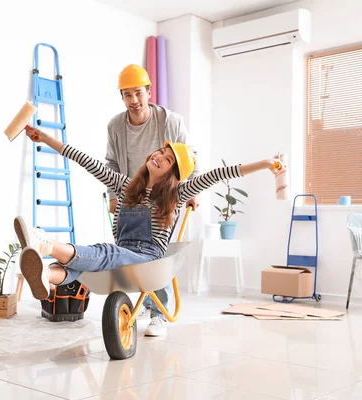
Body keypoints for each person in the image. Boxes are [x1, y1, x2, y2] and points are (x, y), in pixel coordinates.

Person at [14, 126, 281, 337]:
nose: (158, 157)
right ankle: (45, 274)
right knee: (89, 265)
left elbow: (221, 174)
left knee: (105, 253)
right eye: (159, 153)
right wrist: (47, 139)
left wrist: (265, 164)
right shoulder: (125, 185)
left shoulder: (178, 193)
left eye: (166, 160)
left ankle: (46, 244)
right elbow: (86, 161)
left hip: (148, 257)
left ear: (173, 173)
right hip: (122, 253)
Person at [105, 64, 200, 334]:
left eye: (138, 93)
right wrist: (115, 195)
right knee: (130, 250)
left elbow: (191, 156)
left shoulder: (170, 121)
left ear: (149, 92)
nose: (133, 101)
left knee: (158, 254)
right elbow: (111, 162)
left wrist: (191, 191)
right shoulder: (115, 126)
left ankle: (160, 312)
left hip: (163, 195)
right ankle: (143, 299)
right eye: (127, 95)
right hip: (132, 193)